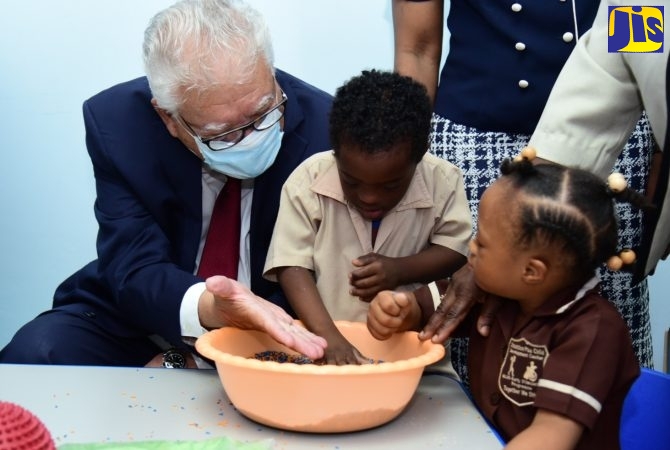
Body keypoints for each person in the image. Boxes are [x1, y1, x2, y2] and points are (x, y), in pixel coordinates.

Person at [0, 0, 332, 367]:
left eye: (263, 112)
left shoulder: (329, 132)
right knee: (34, 354)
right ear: (169, 118)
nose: (251, 138)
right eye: (221, 135)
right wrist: (208, 309)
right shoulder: (120, 126)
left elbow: (330, 277)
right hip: (148, 314)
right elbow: (135, 265)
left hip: (281, 327)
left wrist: (200, 360)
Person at [392, 0, 656, 385]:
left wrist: (662, 147)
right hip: (475, 144)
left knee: (602, 328)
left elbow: (638, 42)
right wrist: (407, 160)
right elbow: (416, 48)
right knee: (474, 316)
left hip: (609, 140)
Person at [368, 153, 646, 449]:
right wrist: (401, 310)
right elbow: (430, 310)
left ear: (531, 270)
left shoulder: (593, 331)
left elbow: (550, 435)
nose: (471, 249)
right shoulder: (504, 293)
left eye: (482, 243)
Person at [262, 70, 471, 365]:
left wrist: (400, 270)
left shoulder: (444, 181)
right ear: (335, 152)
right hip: (326, 350)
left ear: (421, 154)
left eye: (390, 185)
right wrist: (328, 338)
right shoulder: (306, 181)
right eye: (351, 180)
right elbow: (290, 265)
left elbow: (456, 251)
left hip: (413, 357)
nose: (369, 197)